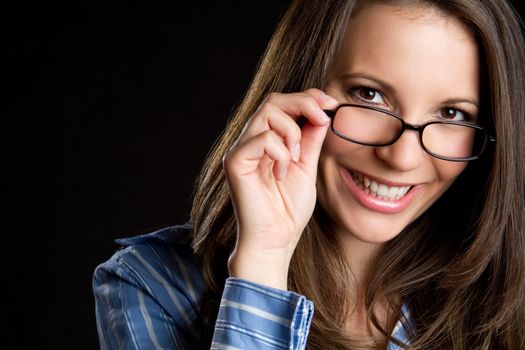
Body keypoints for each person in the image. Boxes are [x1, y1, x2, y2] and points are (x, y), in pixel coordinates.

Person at [93, 0, 525, 349]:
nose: (401, 156)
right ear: (298, 88)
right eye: (369, 95)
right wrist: (263, 263)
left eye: (452, 113)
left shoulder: (505, 300)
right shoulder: (153, 285)